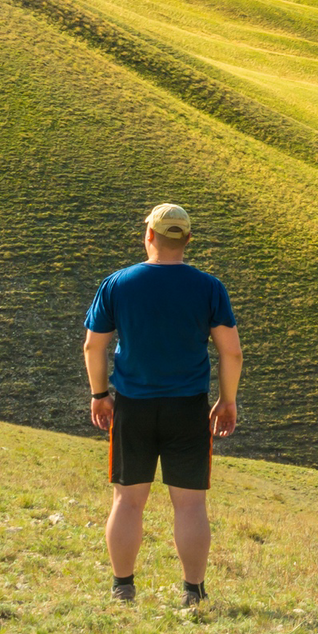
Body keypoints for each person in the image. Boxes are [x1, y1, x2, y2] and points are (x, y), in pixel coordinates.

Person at [82, 203, 242, 606]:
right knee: (189, 503)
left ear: (149, 235)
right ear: (186, 240)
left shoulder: (117, 283)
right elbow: (232, 353)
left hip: (132, 406)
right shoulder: (209, 287)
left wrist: (100, 395)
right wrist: (227, 400)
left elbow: (93, 344)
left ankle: (123, 587)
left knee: (127, 500)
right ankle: (193, 592)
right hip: (187, 407)